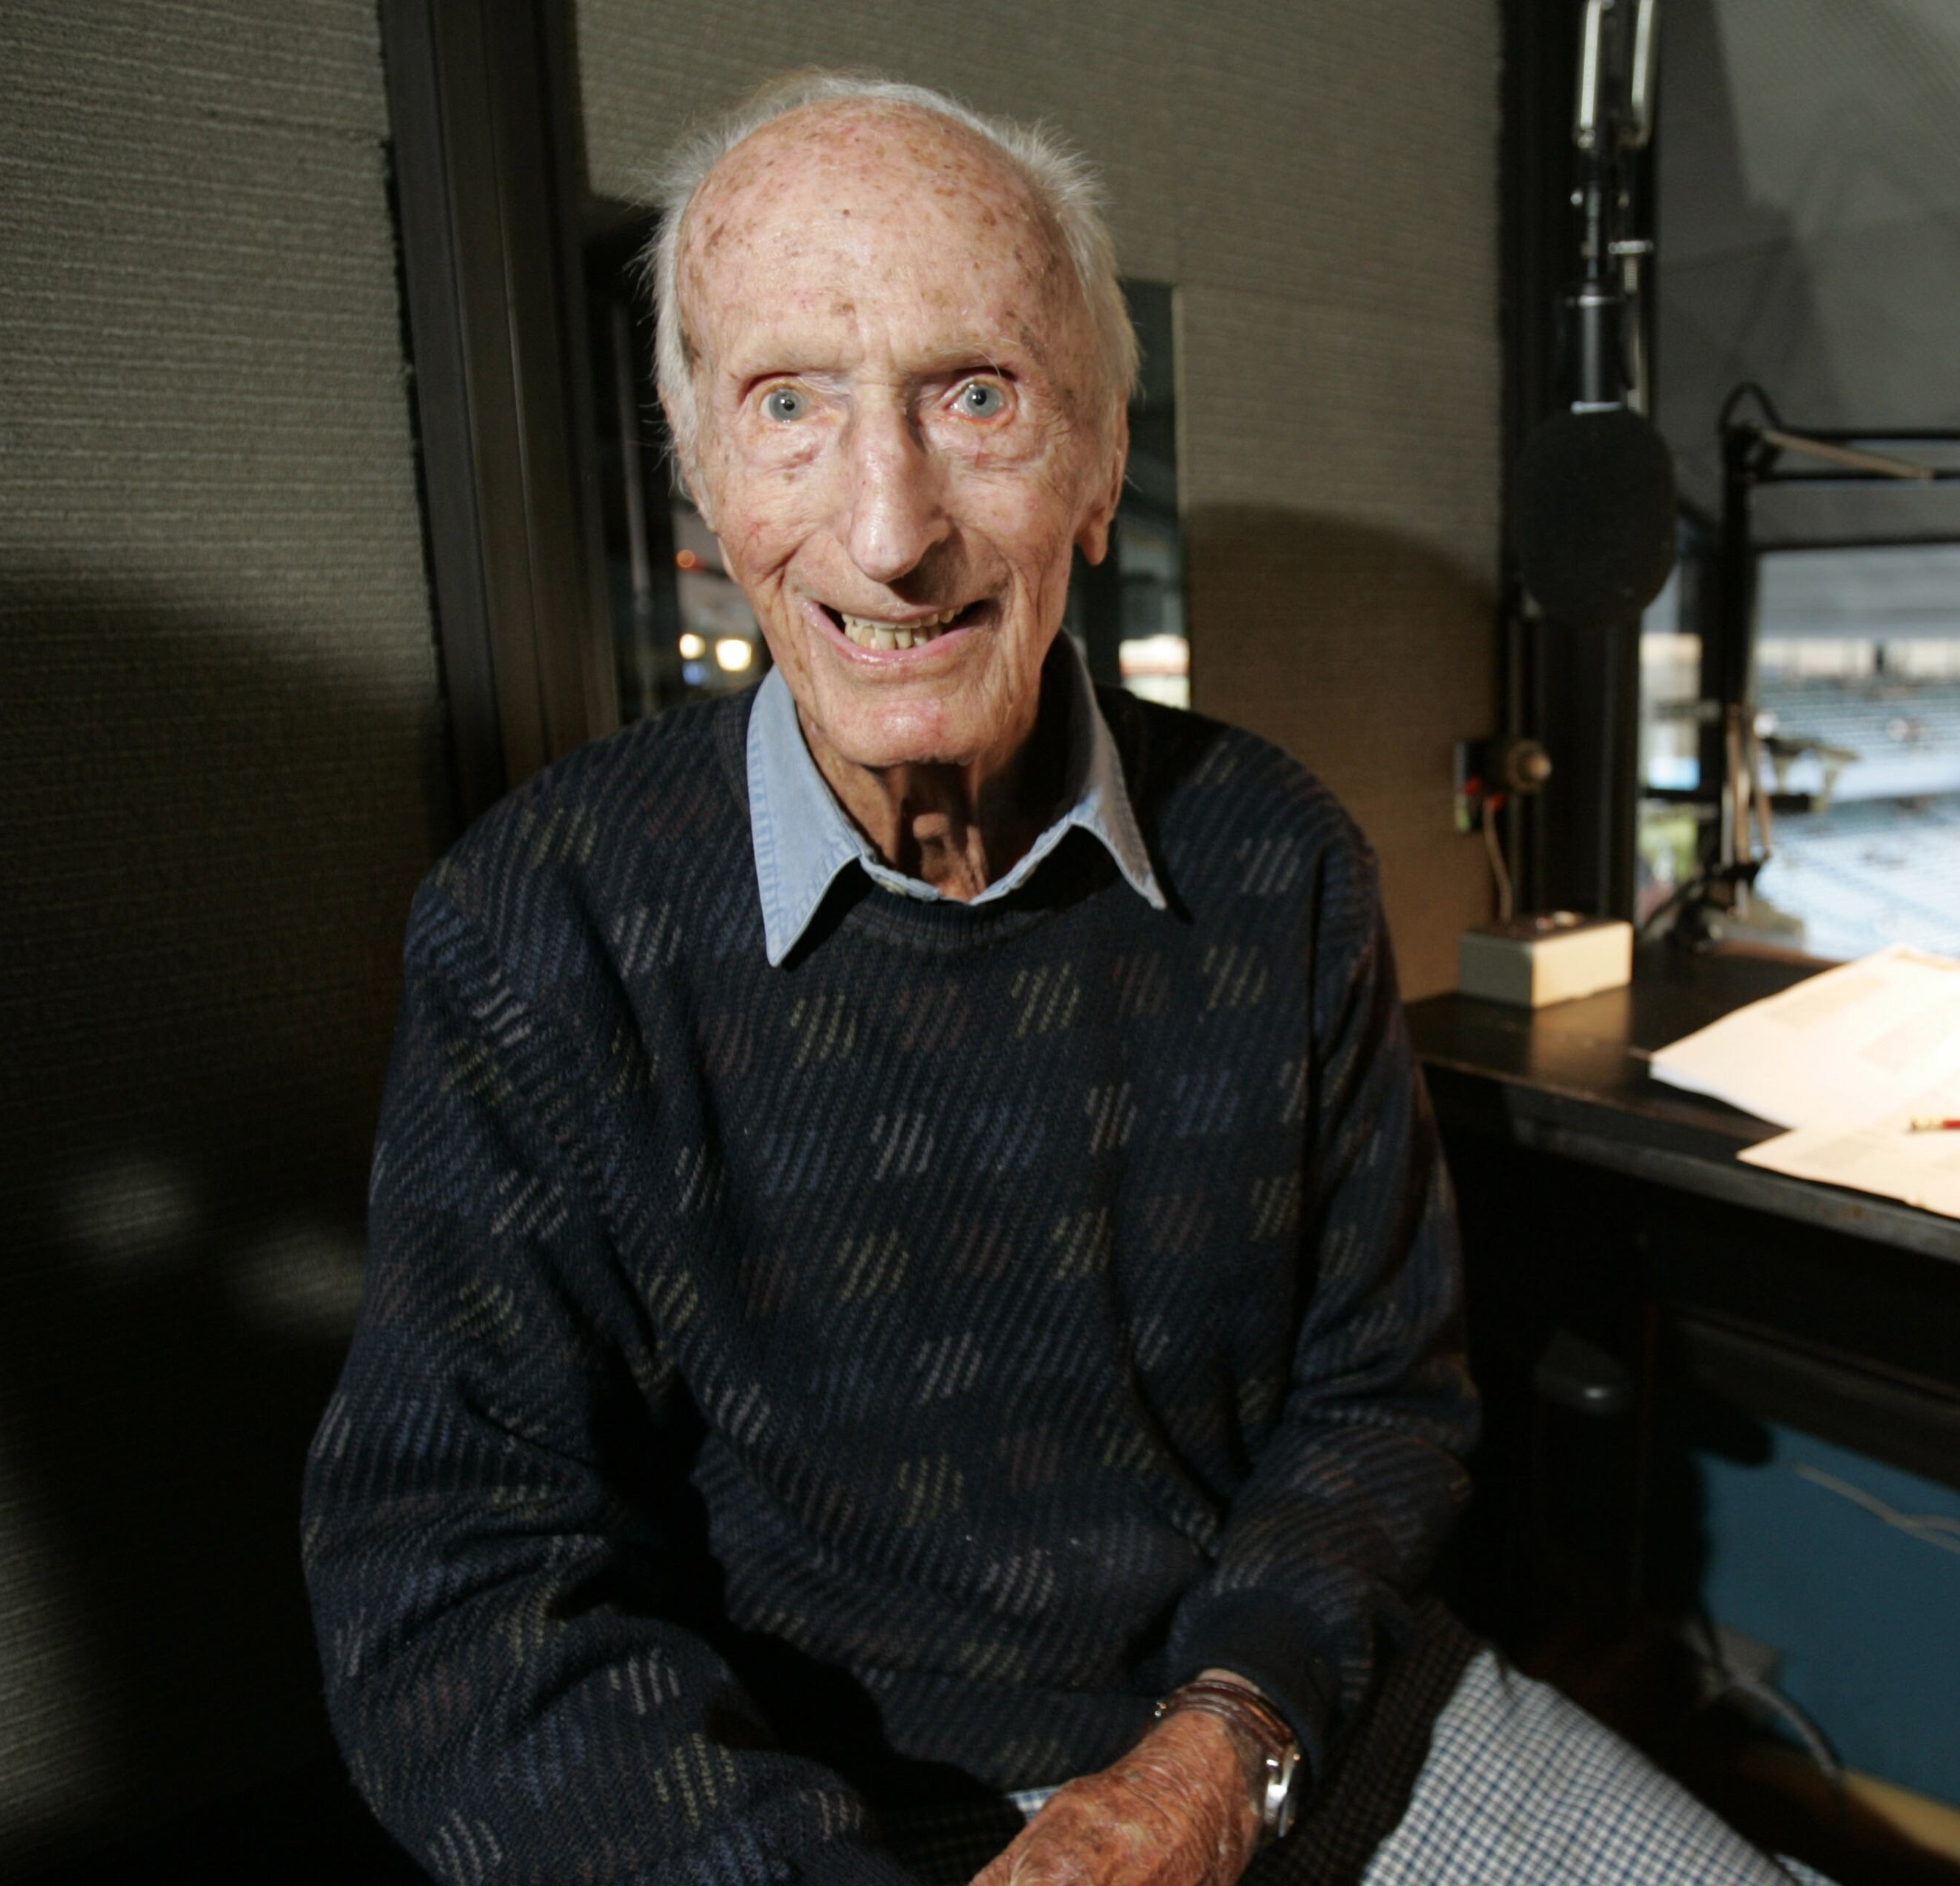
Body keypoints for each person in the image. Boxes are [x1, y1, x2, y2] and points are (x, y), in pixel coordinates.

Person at [304, 69, 1830, 1886]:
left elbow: (1381, 1401)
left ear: (1102, 463)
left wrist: (1216, 1757)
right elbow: (452, 1582)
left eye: (976, 396)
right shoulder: (538, 923)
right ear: (705, 475)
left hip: (1270, 1718)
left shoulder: (1278, 860)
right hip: (794, 1808)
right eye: (789, 403)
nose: (890, 527)